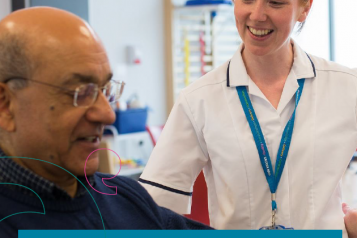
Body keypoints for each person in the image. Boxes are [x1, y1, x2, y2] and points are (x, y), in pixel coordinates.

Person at [139, 0, 357, 236]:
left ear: (304, 8)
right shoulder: (198, 99)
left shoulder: (347, 87)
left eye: (275, 3)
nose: (257, 15)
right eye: (247, 0)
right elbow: (153, 208)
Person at [0, 7, 212, 237]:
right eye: (80, 91)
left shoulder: (125, 196)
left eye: (105, 90)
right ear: (6, 105)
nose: (107, 114)